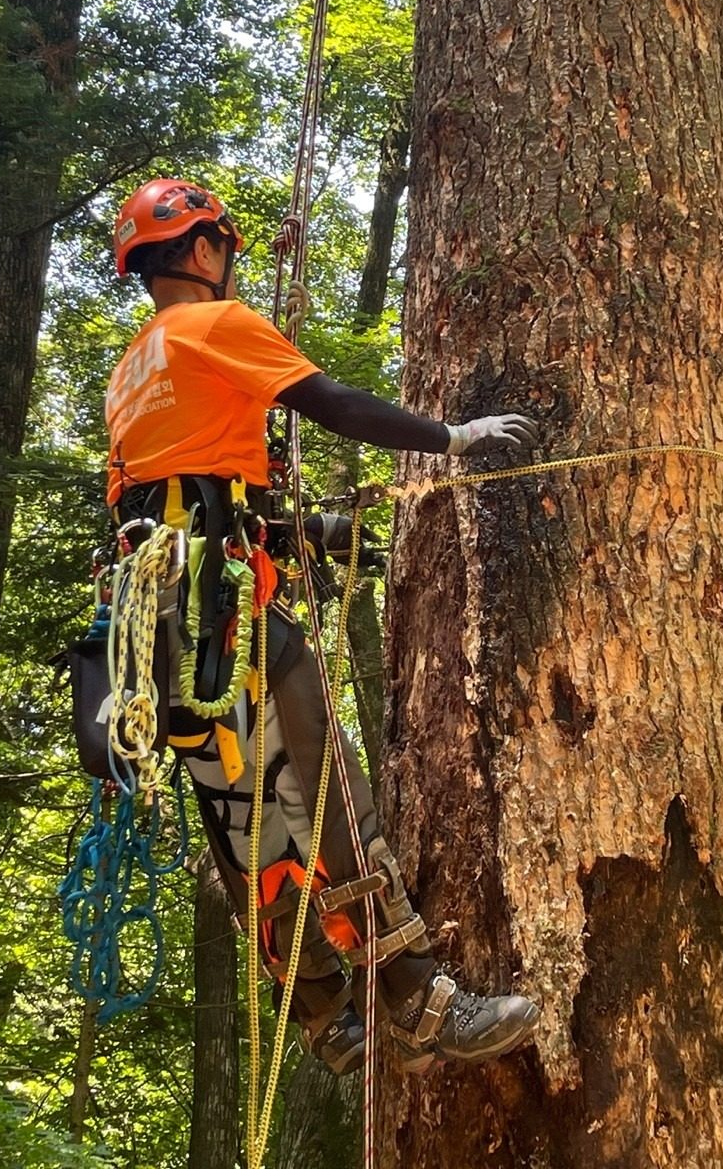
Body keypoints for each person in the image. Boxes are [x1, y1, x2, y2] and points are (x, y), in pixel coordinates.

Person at [106, 177, 540, 1075]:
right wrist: (451, 437)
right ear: (200, 250)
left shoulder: (132, 369)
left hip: (159, 638)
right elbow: (331, 403)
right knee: (330, 794)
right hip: (226, 618)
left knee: (246, 821)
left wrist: (302, 533)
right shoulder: (217, 326)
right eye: (220, 245)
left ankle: (324, 1019)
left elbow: (182, 495)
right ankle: (418, 999)